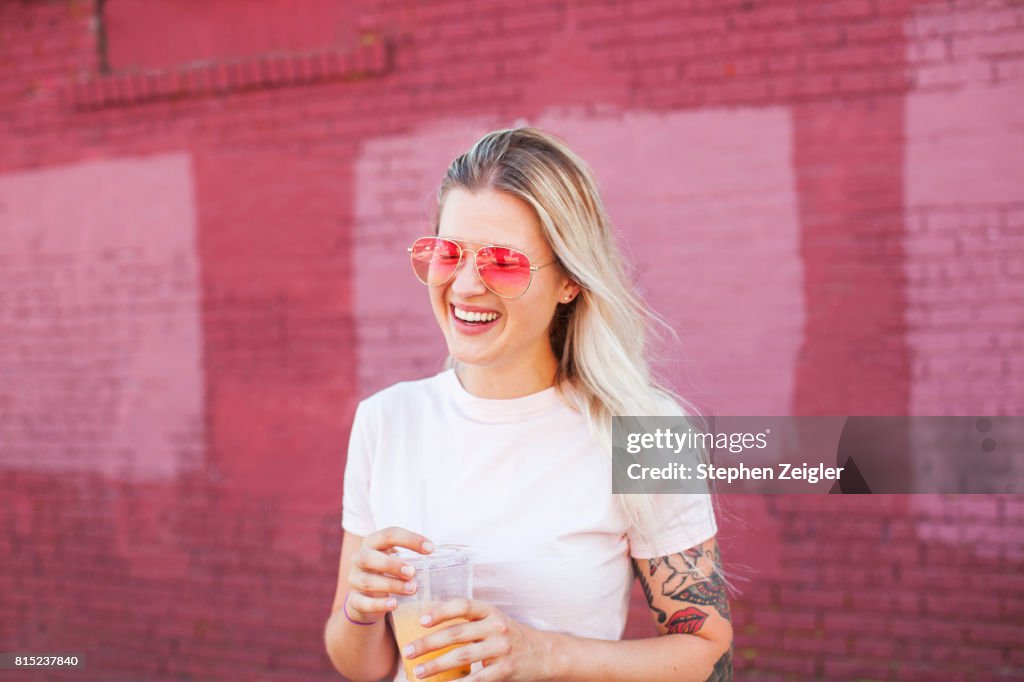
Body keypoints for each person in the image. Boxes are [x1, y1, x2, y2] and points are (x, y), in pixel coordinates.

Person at [324, 128, 733, 681]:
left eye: (503, 263)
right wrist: (359, 608)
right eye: (447, 253)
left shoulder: (641, 432)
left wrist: (546, 655)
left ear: (569, 280)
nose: (465, 286)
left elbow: (709, 659)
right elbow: (364, 668)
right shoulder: (385, 420)